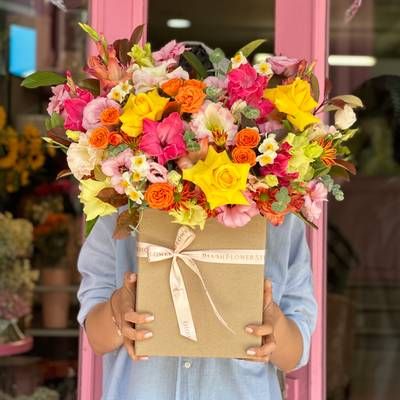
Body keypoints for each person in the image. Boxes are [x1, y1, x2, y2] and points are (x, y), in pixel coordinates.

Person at [77, 211, 317, 400]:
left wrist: (274, 327)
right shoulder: (119, 203)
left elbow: (296, 351)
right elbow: (97, 338)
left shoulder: (279, 214)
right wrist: (117, 312)